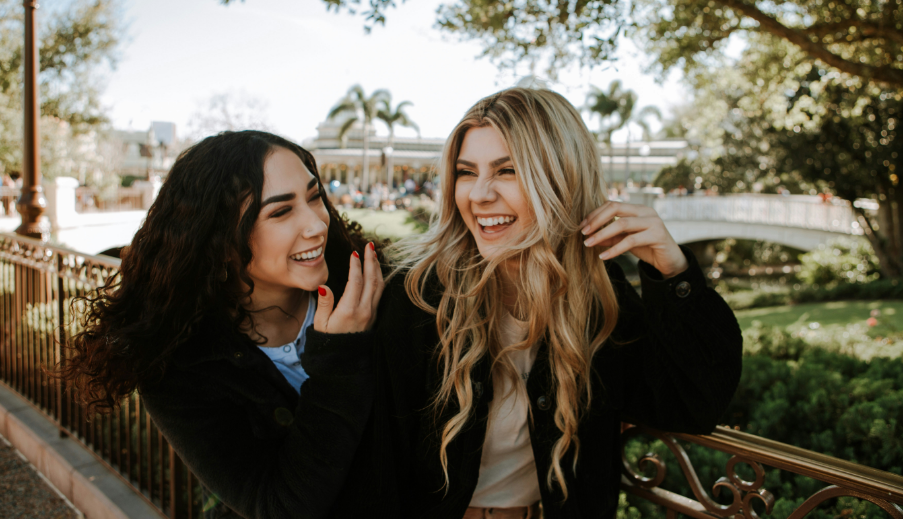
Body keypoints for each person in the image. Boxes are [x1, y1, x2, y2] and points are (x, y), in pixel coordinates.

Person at [329, 87, 743, 519]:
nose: (479, 195)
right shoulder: (418, 296)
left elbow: (692, 405)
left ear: (560, 177)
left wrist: (674, 274)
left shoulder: (600, 295)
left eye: (507, 170)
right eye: (467, 172)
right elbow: (376, 466)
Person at [57, 131, 385, 519]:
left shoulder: (371, 290)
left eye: (314, 197)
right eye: (280, 212)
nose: (316, 224)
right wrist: (340, 357)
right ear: (219, 237)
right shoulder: (180, 369)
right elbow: (278, 505)